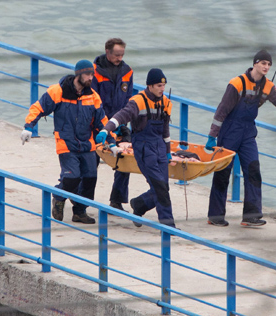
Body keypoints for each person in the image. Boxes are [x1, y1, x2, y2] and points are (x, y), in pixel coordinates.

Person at [205, 49, 276, 227]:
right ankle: (215, 216)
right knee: (223, 173)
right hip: (230, 130)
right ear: (255, 63)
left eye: (269, 64)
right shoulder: (237, 83)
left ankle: (251, 216)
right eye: (263, 63)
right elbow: (221, 110)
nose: (266, 67)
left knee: (253, 170)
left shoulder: (267, 85)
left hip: (248, 132)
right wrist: (212, 136)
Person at [21, 59, 113, 224]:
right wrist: (29, 126)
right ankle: (58, 196)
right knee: (72, 178)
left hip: (87, 144)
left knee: (90, 178)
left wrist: (112, 141)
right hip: (66, 142)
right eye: (87, 74)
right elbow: (39, 108)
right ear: (78, 73)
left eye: (92, 74)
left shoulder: (93, 96)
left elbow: (103, 122)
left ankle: (79, 211)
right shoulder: (58, 91)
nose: (91, 77)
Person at [97, 68, 176, 228]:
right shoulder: (137, 102)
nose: (162, 88)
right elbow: (120, 116)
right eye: (159, 85)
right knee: (160, 187)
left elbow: (165, 130)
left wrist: (167, 152)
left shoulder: (166, 102)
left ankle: (139, 204)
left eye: (163, 85)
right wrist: (106, 129)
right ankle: (168, 226)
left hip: (160, 147)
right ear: (150, 86)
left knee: (163, 186)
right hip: (144, 148)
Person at [91, 38, 134, 212]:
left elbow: (129, 100)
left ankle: (117, 200)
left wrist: (122, 123)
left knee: (124, 162)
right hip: (97, 124)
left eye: (122, 54)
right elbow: (93, 101)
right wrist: (104, 124)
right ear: (107, 52)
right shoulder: (94, 71)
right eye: (117, 54)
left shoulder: (127, 71)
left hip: (119, 123)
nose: (120, 57)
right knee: (90, 164)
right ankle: (82, 201)